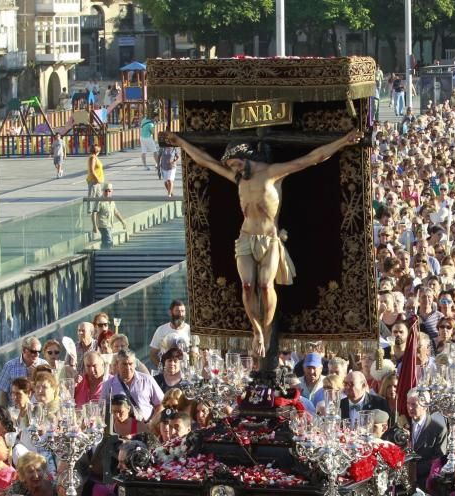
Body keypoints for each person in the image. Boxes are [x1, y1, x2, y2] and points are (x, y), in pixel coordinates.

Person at [167, 128, 363, 356]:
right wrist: (180, 142)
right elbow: (206, 161)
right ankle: (256, 330)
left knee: (265, 285)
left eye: (237, 165)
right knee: (247, 285)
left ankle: (267, 330)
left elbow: (312, 158)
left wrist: (344, 141)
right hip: (246, 237)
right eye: (232, 167)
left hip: (269, 239)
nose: (236, 170)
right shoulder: (238, 178)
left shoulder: (272, 173)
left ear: (247, 158)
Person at [148, 299, 190, 367]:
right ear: (170, 312)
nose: (180, 314)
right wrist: (162, 368)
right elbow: (153, 354)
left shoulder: (190, 330)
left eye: (183, 311)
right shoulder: (161, 330)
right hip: (167, 371)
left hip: (185, 371)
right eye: (177, 311)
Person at [92, 183, 126, 249]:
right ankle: (107, 254)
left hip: (110, 224)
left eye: (109, 191)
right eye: (106, 191)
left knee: (105, 241)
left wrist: (123, 221)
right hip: (103, 225)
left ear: (112, 191)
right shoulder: (99, 201)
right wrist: (94, 226)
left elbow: (116, 212)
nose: (107, 192)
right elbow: (94, 213)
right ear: (103, 191)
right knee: (108, 240)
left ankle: (103, 253)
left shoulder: (112, 201)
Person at [86, 144, 104, 211]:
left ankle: (96, 209)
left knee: (99, 196)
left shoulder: (95, 157)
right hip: (94, 180)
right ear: (97, 151)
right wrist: (97, 179)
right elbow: (92, 170)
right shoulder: (93, 158)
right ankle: (90, 210)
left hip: (97, 181)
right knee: (92, 195)